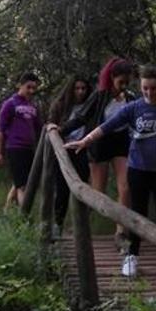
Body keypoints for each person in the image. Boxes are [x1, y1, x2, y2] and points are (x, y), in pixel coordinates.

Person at [64, 66, 156, 296]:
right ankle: (132, 256)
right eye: (145, 88)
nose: (149, 93)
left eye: (153, 88)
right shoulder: (134, 108)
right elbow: (107, 126)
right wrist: (85, 141)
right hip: (138, 169)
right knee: (136, 215)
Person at [55, 57, 136, 250]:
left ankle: (121, 232)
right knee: (97, 191)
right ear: (112, 78)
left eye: (127, 82)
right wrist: (60, 130)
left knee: (125, 187)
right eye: (120, 82)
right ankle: (80, 225)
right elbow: (82, 117)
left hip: (121, 143)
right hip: (99, 143)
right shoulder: (100, 96)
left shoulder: (131, 98)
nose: (123, 86)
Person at [46, 76, 92, 237]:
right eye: (77, 88)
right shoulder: (61, 105)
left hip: (82, 150)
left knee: (82, 188)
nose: (80, 92)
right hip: (64, 150)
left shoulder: (90, 107)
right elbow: (51, 124)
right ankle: (58, 224)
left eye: (83, 88)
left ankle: (80, 228)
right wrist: (53, 128)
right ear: (71, 89)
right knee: (62, 189)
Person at [0, 72, 42, 208]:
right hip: (14, 148)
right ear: (21, 85)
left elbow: (40, 127)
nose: (31, 91)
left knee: (18, 182)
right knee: (23, 186)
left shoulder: (33, 107)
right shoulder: (10, 104)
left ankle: (7, 212)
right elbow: (0, 130)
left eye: (34, 88)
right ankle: (26, 221)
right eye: (29, 87)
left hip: (29, 149)